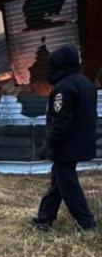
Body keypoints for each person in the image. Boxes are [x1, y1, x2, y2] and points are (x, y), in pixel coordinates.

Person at [32, 44, 98, 232]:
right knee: (59, 180)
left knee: (67, 183)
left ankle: (87, 222)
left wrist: (49, 144)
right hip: (81, 141)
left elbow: (61, 121)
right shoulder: (85, 83)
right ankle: (44, 219)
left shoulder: (64, 87)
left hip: (67, 143)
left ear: (60, 65)